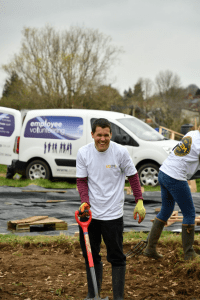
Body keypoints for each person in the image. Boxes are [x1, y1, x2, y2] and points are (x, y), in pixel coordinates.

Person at [76, 118, 146, 300]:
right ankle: (93, 295)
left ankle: (118, 298)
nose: (102, 139)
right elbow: (81, 181)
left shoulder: (120, 152)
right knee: (91, 256)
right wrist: (85, 202)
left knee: (116, 256)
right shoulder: (84, 153)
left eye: (106, 135)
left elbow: (133, 176)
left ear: (110, 135)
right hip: (90, 215)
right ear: (92, 135)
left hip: (113, 215)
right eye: (99, 135)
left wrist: (139, 200)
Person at [144, 128, 200, 261]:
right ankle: (189, 253)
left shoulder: (193, 134)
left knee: (166, 210)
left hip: (164, 172)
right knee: (189, 213)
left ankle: (150, 248)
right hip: (175, 176)